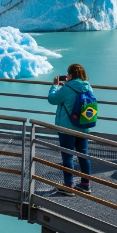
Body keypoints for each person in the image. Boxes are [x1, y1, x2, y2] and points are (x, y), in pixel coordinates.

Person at [47, 63, 94, 195]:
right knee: (83, 155)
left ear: (71, 75)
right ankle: (85, 184)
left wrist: (54, 86)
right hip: (83, 126)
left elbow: (52, 99)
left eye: (68, 74)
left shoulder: (67, 88)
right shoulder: (88, 87)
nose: (66, 76)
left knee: (67, 157)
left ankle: (68, 186)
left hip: (67, 128)